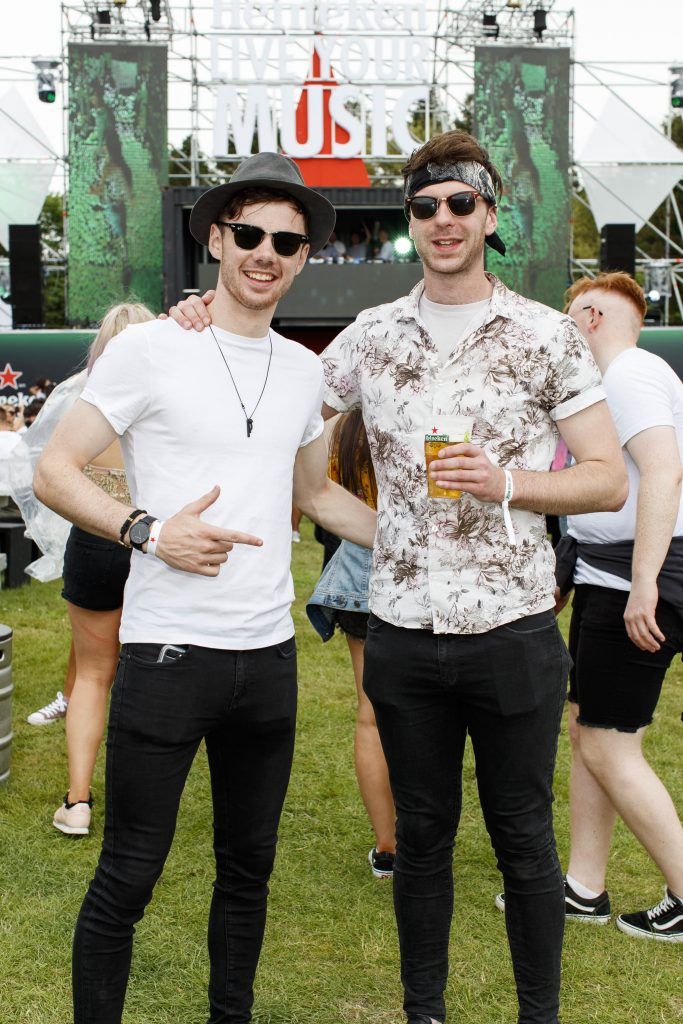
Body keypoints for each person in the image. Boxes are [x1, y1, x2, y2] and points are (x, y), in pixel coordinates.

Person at [167, 130, 628, 1024]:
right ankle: (425, 1011)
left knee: (525, 843)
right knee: (421, 841)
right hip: (404, 633)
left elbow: (606, 475)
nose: (442, 221)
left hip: (515, 630)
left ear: (489, 215)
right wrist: (200, 312)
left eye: (460, 204)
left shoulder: (544, 336)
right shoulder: (369, 338)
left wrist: (509, 484)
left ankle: (540, 1014)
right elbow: (267, 375)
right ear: (409, 221)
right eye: (424, 207)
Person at [35, 151, 376, 1024]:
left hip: (266, 662)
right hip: (166, 653)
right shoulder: (151, 348)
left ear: (303, 257)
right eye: (250, 234)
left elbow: (315, 494)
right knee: (129, 874)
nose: (267, 252)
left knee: (248, 871)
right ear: (217, 240)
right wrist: (145, 529)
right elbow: (56, 470)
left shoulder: (305, 370)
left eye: (287, 242)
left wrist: (423, 538)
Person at [559, 273, 683, 941]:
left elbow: (661, 469)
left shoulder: (627, 372)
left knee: (607, 744)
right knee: (592, 729)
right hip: (616, 573)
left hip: (635, 576)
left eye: (566, 318)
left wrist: (644, 582)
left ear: (590, 313)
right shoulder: (637, 370)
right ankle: (583, 885)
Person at [53, 303, 155, 835]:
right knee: (147, 677)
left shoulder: (85, 402)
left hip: (94, 542)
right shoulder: (166, 398)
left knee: (93, 676)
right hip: (152, 544)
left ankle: (78, 801)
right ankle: (137, 809)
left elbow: (50, 474)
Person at [307, 410, 396, 878]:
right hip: (413, 562)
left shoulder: (337, 426)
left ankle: (388, 844)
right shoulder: (414, 412)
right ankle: (410, 838)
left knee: (372, 714)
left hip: (356, 569)